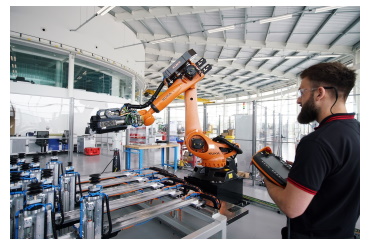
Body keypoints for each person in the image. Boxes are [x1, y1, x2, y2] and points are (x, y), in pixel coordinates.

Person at [263, 62, 360, 239]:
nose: (298, 100)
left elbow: (291, 208)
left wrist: (268, 179)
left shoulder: (317, 142)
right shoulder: (357, 130)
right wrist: (305, 170)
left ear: (320, 93)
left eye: (302, 92)